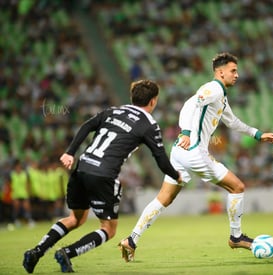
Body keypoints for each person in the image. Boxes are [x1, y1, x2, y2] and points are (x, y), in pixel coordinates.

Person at [119, 52, 273, 262]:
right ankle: (236, 236)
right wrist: (185, 131)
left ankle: (132, 240)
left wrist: (257, 134)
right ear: (220, 72)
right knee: (237, 187)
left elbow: (232, 121)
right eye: (233, 71)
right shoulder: (212, 89)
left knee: (164, 198)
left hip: (179, 152)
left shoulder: (220, 94)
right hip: (194, 151)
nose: (236, 75)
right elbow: (189, 106)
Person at [23, 80, 181, 273]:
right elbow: (161, 159)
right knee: (109, 229)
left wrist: (70, 152)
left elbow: (87, 126)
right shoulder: (149, 124)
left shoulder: (113, 111)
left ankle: (36, 251)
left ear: (132, 97)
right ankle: (68, 252)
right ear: (153, 101)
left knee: (75, 219)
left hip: (81, 168)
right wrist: (176, 176)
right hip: (103, 175)